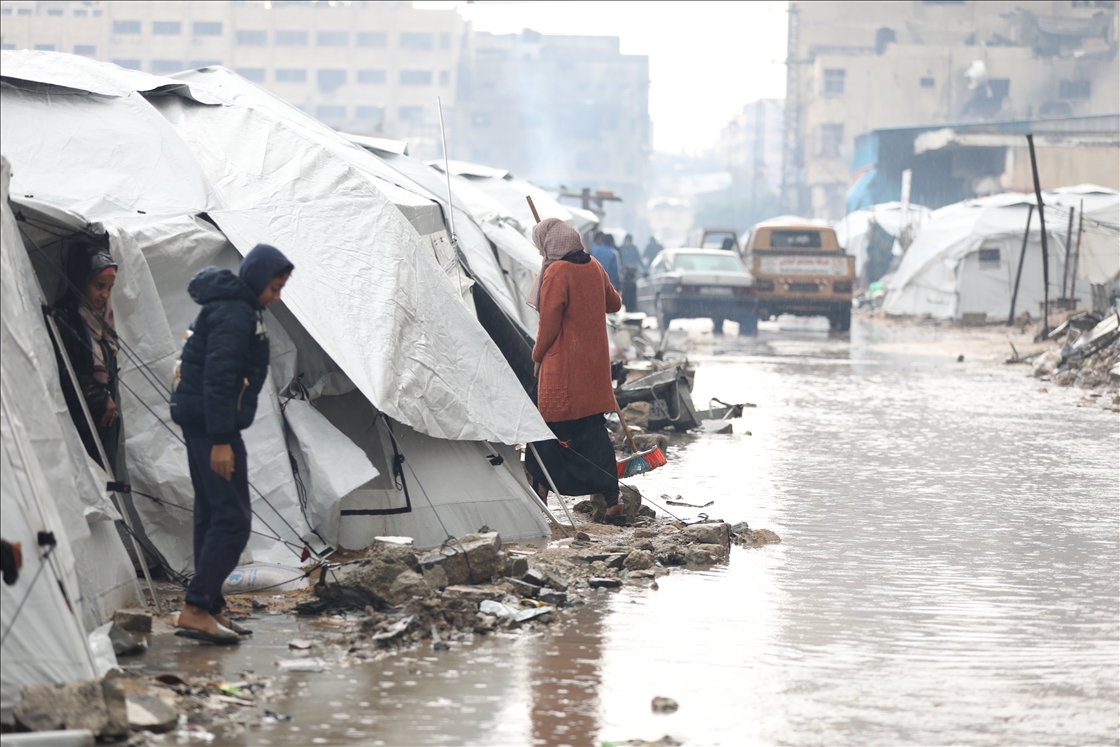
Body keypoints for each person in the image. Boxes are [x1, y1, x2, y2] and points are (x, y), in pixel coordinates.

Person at [170, 243, 293, 645]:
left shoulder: (237, 307)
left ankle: (210, 606)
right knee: (232, 520)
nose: (277, 297)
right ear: (257, 278)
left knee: (211, 515)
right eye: (274, 287)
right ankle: (195, 607)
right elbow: (219, 377)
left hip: (203, 423)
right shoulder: (235, 313)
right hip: (212, 427)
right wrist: (222, 440)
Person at [525, 218, 623, 515]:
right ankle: (613, 499)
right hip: (593, 370)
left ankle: (539, 499)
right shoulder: (594, 266)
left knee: (545, 433)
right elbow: (614, 303)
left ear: (549, 246)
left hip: (563, 371)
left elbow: (549, 326)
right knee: (592, 433)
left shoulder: (556, 272)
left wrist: (537, 356)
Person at [52, 243, 121, 473]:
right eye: (99, 286)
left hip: (101, 419)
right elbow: (62, 370)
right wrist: (100, 398)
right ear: (81, 281)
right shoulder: (64, 316)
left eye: (110, 288)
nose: (105, 294)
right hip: (77, 421)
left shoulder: (104, 320)